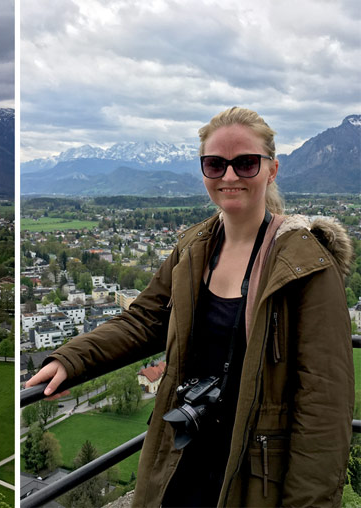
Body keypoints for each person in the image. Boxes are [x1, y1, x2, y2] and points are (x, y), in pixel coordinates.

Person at [24, 107, 355, 507]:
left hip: (255, 471)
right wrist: (72, 360)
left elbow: (323, 409)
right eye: (215, 164)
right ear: (204, 171)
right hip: (182, 452)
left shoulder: (305, 265)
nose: (229, 176)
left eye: (245, 163)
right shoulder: (195, 247)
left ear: (272, 170)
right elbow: (145, 319)